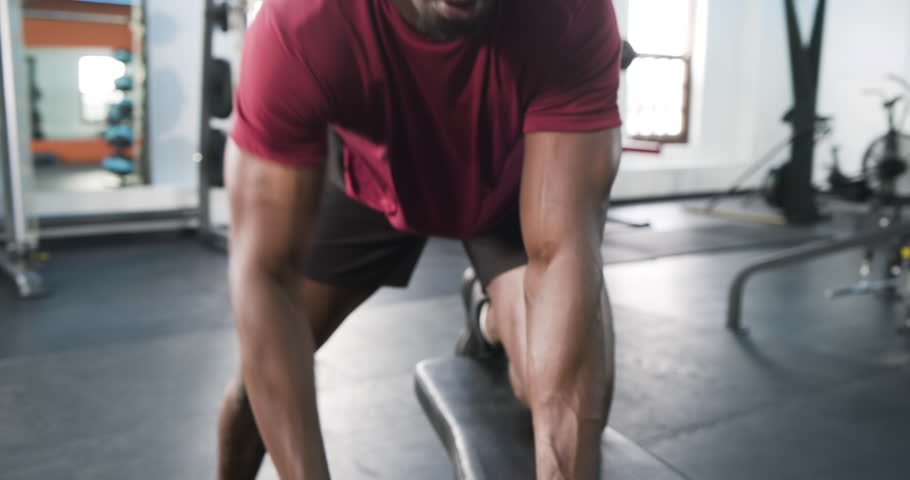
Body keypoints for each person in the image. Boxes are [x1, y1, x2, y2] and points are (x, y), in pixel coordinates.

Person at [217, 0, 623, 478]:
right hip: (370, 182)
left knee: (549, 387)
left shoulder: (570, 12)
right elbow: (267, 276)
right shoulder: (302, 22)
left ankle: (487, 315)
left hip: (509, 191)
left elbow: (564, 254)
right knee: (255, 393)